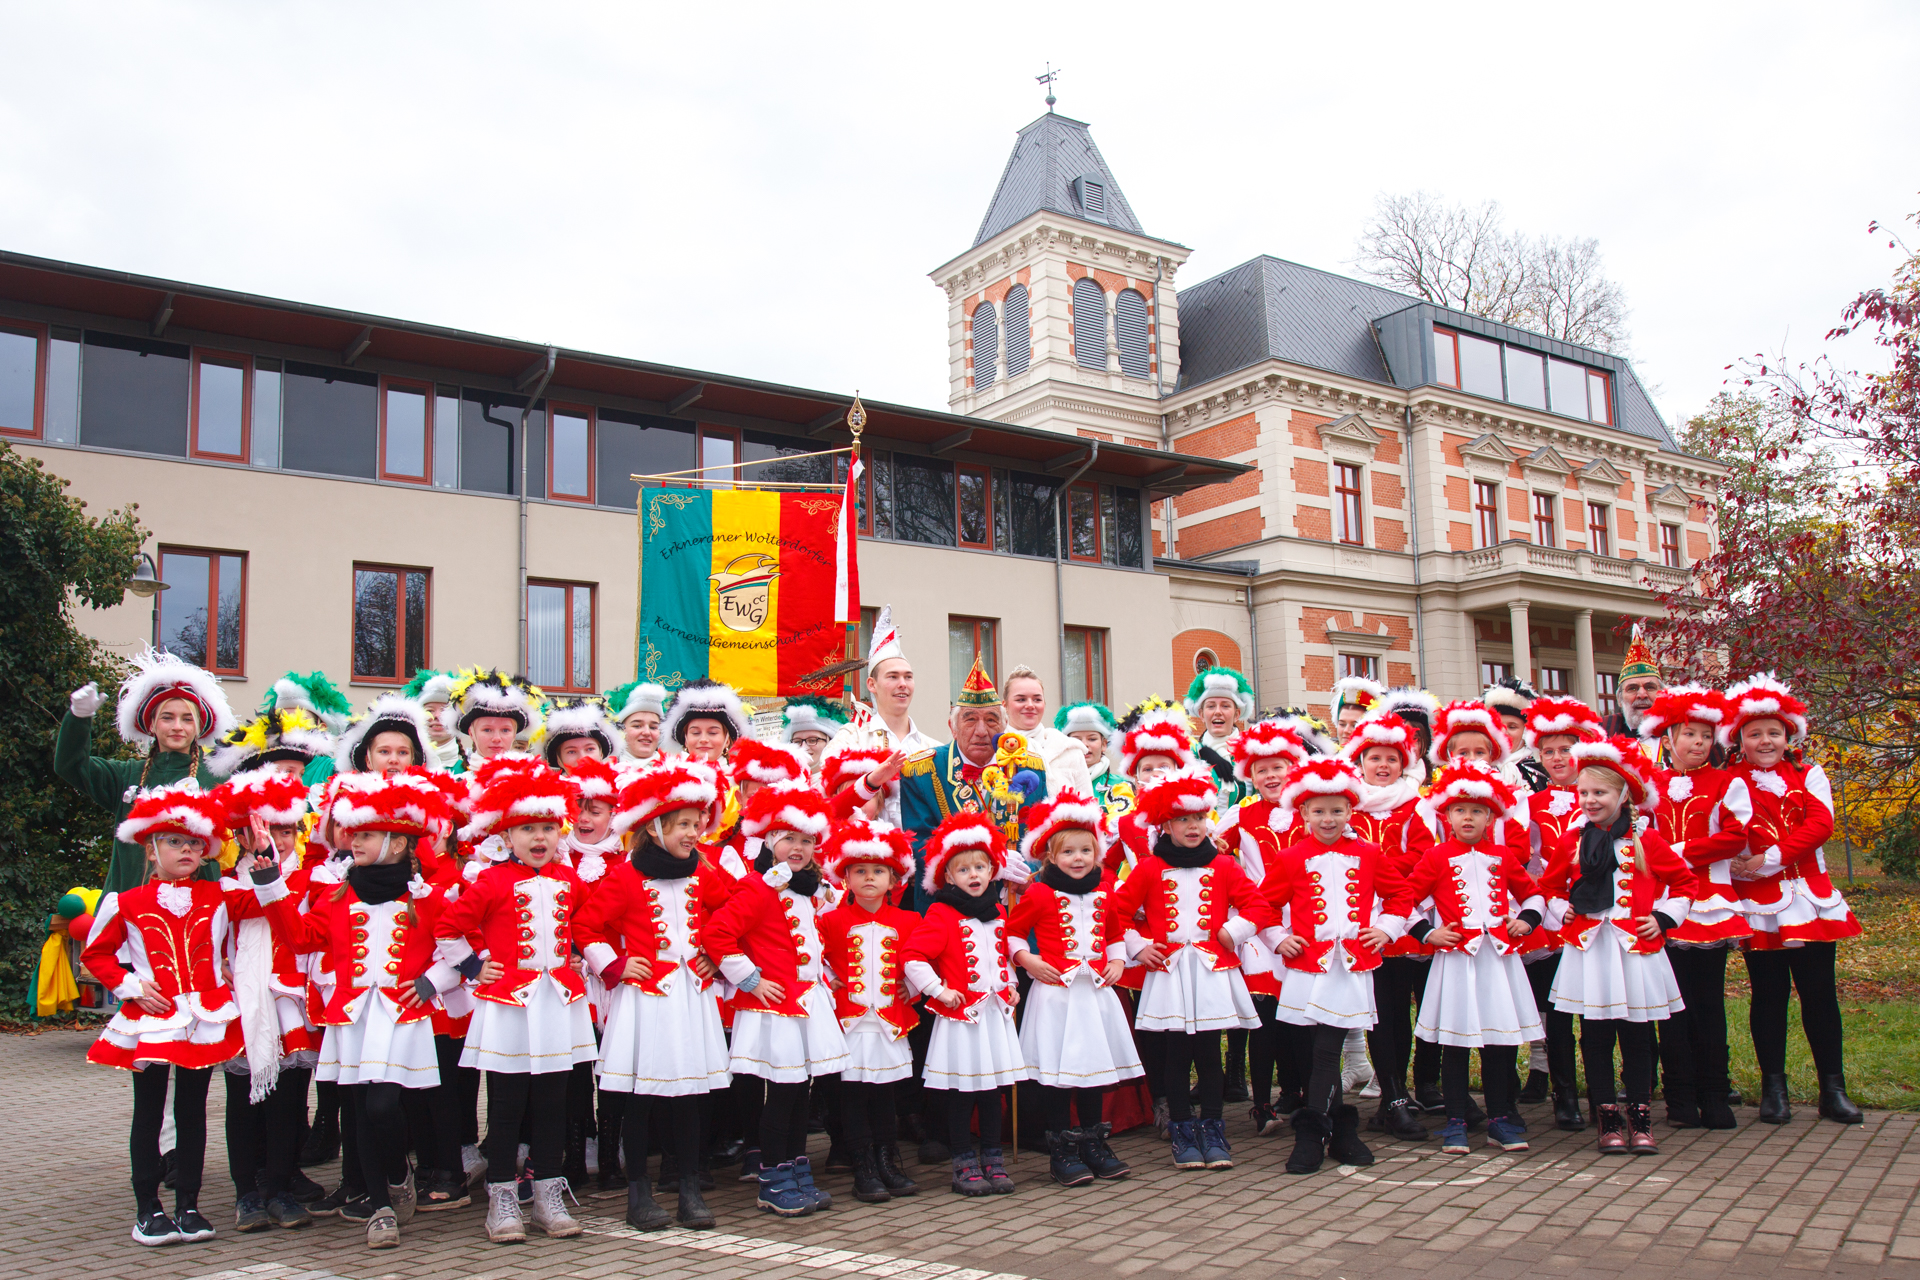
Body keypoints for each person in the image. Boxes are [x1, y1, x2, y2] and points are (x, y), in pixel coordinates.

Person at [244, 771, 458, 1249]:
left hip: (402, 1014)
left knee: (385, 1105)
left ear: (399, 844)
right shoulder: (336, 896)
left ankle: (399, 1170)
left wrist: (430, 983)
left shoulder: (426, 898)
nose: (352, 841)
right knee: (359, 1110)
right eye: (352, 832)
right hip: (352, 1016)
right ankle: (380, 1206)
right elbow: (299, 937)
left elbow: (460, 950)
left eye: (365, 834)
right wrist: (267, 878)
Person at [432, 762, 596, 1243]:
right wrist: (472, 966)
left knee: (553, 1105)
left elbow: (592, 924)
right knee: (505, 1106)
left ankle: (546, 1193)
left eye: (547, 827)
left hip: (558, 1005)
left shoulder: (571, 880)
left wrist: (592, 955)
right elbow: (448, 927)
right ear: (508, 834)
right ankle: (502, 1197)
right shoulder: (492, 880)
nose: (539, 837)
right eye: (528, 829)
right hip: (508, 1007)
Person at [83, 780, 240, 1247]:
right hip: (151, 1019)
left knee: (193, 1112)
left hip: (203, 1019)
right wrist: (131, 986)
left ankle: (188, 1205)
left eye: (194, 842)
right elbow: (97, 955)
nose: (186, 849)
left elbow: (257, 920)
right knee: (148, 1112)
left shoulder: (221, 895)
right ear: (150, 851)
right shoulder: (125, 902)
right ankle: (147, 1208)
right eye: (173, 841)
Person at [577, 758, 732, 1230]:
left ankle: (687, 1187)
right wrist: (618, 965)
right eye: (682, 824)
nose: (693, 832)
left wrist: (715, 954)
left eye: (696, 823)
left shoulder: (703, 871)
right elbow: (585, 926)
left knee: (689, 1097)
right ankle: (638, 1194)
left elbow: (733, 912)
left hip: (692, 997)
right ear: (655, 826)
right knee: (639, 1098)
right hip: (645, 1000)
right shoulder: (626, 875)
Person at [1111, 761, 1270, 1172]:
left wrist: (1231, 933)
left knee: (1210, 1053)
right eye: (1183, 819)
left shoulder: (1223, 865)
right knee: (1177, 1054)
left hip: (1212, 970)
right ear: (1165, 825)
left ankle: (1213, 1127)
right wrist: (1139, 947)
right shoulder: (1148, 867)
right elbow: (1118, 914)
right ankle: (1182, 1127)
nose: (1193, 826)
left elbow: (1257, 905)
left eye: (1199, 817)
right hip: (1168, 972)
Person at [1722, 673, 1864, 1125]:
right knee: (1769, 995)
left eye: (1774, 733)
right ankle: (1773, 1088)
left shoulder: (1809, 774)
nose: (1765, 741)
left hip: (1811, 899)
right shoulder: (1729, 780)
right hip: (1761, 907)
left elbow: (1821, 825)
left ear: (1789, 736)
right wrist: (1744, 863)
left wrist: (1769, 860)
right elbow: (1729, 832)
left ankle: (1832, 1088)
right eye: (1755, 733)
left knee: (1820, 993)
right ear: (1739, 739)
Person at [1540, 738, 1694, 1155]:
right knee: (1595, 1036)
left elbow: (1685, 883)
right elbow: (1550, 886)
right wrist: (1561, 910)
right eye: (1584, 792)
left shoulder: (1647, 841)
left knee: (1638, 1036)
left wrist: (1662, 918)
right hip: (1591, 952)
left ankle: (1640, 1119)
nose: (1590, 800)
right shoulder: (1573, 840)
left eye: (1599, 793)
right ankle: (1607, 1120)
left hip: (1635, 952)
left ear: (1623, 795)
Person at [703, 780, 847, 1217]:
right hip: (775, 1008)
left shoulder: (807, 890)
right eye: (788, 839)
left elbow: (807, 942)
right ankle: (771, 1176)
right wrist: (750, 980)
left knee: (801, 1096)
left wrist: (826, 974)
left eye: (806, 840)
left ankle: (796, 1166)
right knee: (782, 1095)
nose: (797, 848)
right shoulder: (757, 887)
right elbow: (717, 935)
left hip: (807, 1003)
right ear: (769, 840)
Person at [1262, 757, 1411, 1174]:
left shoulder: (1370, 853)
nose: (1328, 819)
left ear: (1351, 811)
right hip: (1309, 965)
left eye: (1337, 810)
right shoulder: (1291, 857)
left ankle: (1317, 1132)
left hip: (1350, 966)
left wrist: (1385, 929)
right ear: (1304, 813)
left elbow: (1400, 897)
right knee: (1316, 1051)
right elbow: (1265, 905)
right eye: (1319, 810)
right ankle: (1338, 1130)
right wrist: (1279, 937)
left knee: (1327, 1048)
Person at [1395, 760, 1546, 1157]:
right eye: (1460, 810)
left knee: (1500, 1041)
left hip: (1499, 961)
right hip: (1457, 961)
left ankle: (1499, 1118)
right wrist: (1428, 933)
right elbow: (1404, 901)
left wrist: (1527, 920)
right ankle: (1456, 1120)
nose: (1468, 817)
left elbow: (1533, 895)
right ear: (1445, 815)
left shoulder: (1503, 856)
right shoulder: (1435, 857)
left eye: (1477, 811)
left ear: (1491, 816)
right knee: (1456, 1042)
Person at [1007, 790, 1141, 1187]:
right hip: (1056, 995)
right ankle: (1061, 1148)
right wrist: (1028, 961)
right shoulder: (1039, 892)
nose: (1078, 858)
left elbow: (1115, 932)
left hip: (1095, 994)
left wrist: (1117, 960)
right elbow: (1012, 933)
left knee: (1093, 1071)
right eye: (1068, 852)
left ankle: (1093, 1143)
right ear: (1049, 856)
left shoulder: (1106, 891)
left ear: (1098, 853)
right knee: (1058, 1073)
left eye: (1086, 850)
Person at [1639, 684, 1753, 1130]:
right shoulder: (1649, 785)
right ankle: (1681, 1098)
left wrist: (1678, 850)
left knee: (1708, 1004)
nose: (1698, 743)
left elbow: (1735, 837)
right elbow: (1639, 839)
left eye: (1706, 736)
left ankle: (1715, 1093)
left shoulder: (1728, 782)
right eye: (1689, 734)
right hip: (1662, 905)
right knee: (1671, 1005)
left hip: (1709, 904)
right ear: (1667, 738)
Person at [212, 768, 322, 1232]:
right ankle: (247, 1194)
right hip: (245, 1005)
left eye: (285, 829)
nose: (278, 839)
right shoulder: (225, 884)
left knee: (290, 1103)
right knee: (243, 1102)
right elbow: (242, 910)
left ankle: (280, 1188)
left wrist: (269, 872)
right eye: (266, 831)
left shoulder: (313, 880)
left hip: (292, 1004)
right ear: (243, 836)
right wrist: (262, 868)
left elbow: (304, 926)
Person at [902, 812, 1027, 1196]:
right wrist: (938, 990)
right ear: (947, 877)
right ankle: (963, 1161)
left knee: (992, 1092)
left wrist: (1012, 985)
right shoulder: (941, 912)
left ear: (993, 870)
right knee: (961, 1094)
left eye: (980, 866)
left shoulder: (1000, 911)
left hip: (994, 1016)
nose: (973, 875)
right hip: (960, 1018)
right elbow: (912, 956)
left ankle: (992, 1156)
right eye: (963, 869)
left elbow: (1002, 958)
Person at [61, 648, 236, 893]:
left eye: (187, 719)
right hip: (126, 910)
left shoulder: (218, 778)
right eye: (167, 718)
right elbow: (71, 765)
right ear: (151, 724)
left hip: (196, 916)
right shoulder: (126, 775)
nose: (178, 727)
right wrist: (79, 718)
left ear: (199, 726)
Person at [815, 815, 922, 1202]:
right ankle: (863, 1167)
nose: (869, 878)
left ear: (895, 880)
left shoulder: (910, 920)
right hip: (850, 1023)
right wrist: (829, 980)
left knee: (885, 1096)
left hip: (890, 1022)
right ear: (846, 878)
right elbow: (815, 959)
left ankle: (887, 1161)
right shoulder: (829, 920)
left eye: (879, 871)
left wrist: (910, 987)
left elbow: (921, 960)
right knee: (854, 1095)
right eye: (860, 871)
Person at [1212, 720, 1310, 1131]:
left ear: (1294, 768)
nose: (1271, 776)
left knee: (1302, 1017)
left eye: (1279, 767)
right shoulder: (1243, 814)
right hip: (1259, 930)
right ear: (1249, 775)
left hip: (1307, 927)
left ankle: (1299, 1094)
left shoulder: (1312, 809)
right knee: (1265, 1020)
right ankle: (1262, 1102)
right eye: (1261, 769)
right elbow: (1211, 846)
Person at [1339, 712, 1434, 1141]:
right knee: (1377, 1013)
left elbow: (1422, 858)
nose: (1382, 766)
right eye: (1373, 757)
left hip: (1403, 919)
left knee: (1400, 1011)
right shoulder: (1348, 806)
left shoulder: (1417, 806)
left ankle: (1396, 1094)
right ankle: (1391, 1095)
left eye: (1391, 759)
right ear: (1360, 762)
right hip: (1359, 923)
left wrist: (1385, 878)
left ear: (1404, 763)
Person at [1519, 695, 1608, 1130]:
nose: (1557, 758)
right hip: (1550, 921)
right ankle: (1564, 1095)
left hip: (1595, 918)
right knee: (1555, 1013)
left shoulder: (1599, 801)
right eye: (1549, 751)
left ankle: (1601, 1095)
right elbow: (1524, 864)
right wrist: (1549, 904)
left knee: (1594, 1009)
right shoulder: (1529, 805)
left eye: (1565, 749)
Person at [897, 659, 1044, 905]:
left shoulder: (1029, 768)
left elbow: (1038, 836)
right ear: (952, 727)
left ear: (1005, 726)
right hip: (948, 909)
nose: (981, 731)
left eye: (991, 720)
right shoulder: (921, 771)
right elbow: (920, 848)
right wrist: (992, 863)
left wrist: (1024, 870)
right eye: (969, 720)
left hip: (1014, 906)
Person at [1003, 664, 1094, 799]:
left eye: (1037, 699)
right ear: (1005, 705)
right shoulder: (994, 750)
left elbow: (1088, 809)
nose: (1030, 705)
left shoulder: (1070, 751)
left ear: (1044, 704)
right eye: (1021, 699)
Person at [444, 669, 547, 774]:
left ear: (514, 734)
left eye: (505, 730)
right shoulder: (457, 785)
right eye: (487, 730)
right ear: (471, 733)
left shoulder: (533, 783)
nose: (496, 738)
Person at [1186, 665, 1257, 807]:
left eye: (1225, 706)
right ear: (1201, 714)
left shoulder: (1252, 753)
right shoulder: (1188, 755)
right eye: (1211, 706)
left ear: (1237, 714)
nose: (1217, 712)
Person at [1056, 701, 1134, 823]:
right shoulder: (1055, 783)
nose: (1085, 744)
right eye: (1076, 739)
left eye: (1092, 739)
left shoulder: (1122, 785)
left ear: (1104, 745)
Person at [209, 707, 334, 780]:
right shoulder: (235, 823)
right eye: (287, 772)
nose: (299, 783)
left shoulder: (308, 821)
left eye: (301, 774)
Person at [1485, 677, 1551, 793]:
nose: (1504, 732)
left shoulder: (1543, 773)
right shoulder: (1479, 768)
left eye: (1512, 727)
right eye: (1498, 726)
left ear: (1525, 732)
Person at [1602, 634, 1667, 744]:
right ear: (1619, 699)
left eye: (1650, 687)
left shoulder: (1679, 733)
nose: (1642, 694)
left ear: (1663, 694)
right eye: (1632, 688)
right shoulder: (1603, 732)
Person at [401, 670, 465, 769]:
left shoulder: (472, 771)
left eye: (445, 710)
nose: (437, 715)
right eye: (430, 710)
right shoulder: (403, 770)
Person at [541, 696, 617, 771]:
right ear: (559, 760)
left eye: (590, 749)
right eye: (571, 752)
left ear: (601, 754)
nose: (582, 758)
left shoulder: (622, 782)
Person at [604, 680, 669, 768]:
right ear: (621, 730)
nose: (646, 732)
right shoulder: (605, 773)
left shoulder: (678, 769)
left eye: (653, 727)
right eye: (637, 726)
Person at [781, 696, 849, 776]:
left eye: (812, 740)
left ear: (832, 742)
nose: (804, 747)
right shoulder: (779, 783)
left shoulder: (845, 783)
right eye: (797, 742)